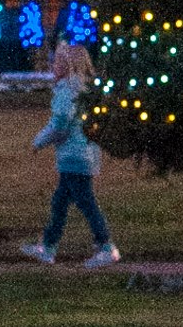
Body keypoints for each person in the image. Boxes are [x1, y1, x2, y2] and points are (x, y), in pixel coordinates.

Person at [20, 42, 120, 267]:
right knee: (60, 202)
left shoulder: (68, 92)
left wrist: (38, 141)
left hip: (74, 156)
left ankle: (106, 247)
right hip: (85, 154)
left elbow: (59, 126)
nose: (52, 66)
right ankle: (48, 246)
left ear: (67, 66)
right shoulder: (85, 91)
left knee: (86, 202)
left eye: (56, 62)